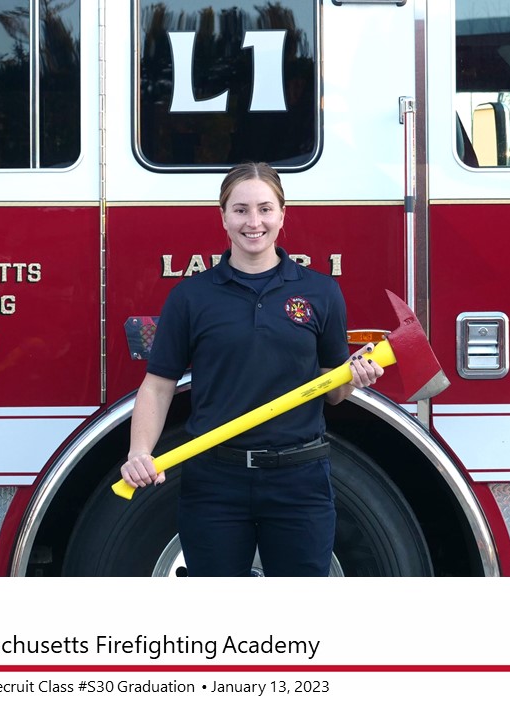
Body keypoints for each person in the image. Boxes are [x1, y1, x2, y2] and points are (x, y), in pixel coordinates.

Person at [119, 161, 384, 576]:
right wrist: (140, 452)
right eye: (240, 210)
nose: (253, 221)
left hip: (299, 480)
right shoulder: (192, 296)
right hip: (215, 480)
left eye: (264, 208)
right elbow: (157, 387)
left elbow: (332, 391)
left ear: (282, 214)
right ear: (223, 217)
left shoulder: (320, 291)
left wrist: (354, 378)